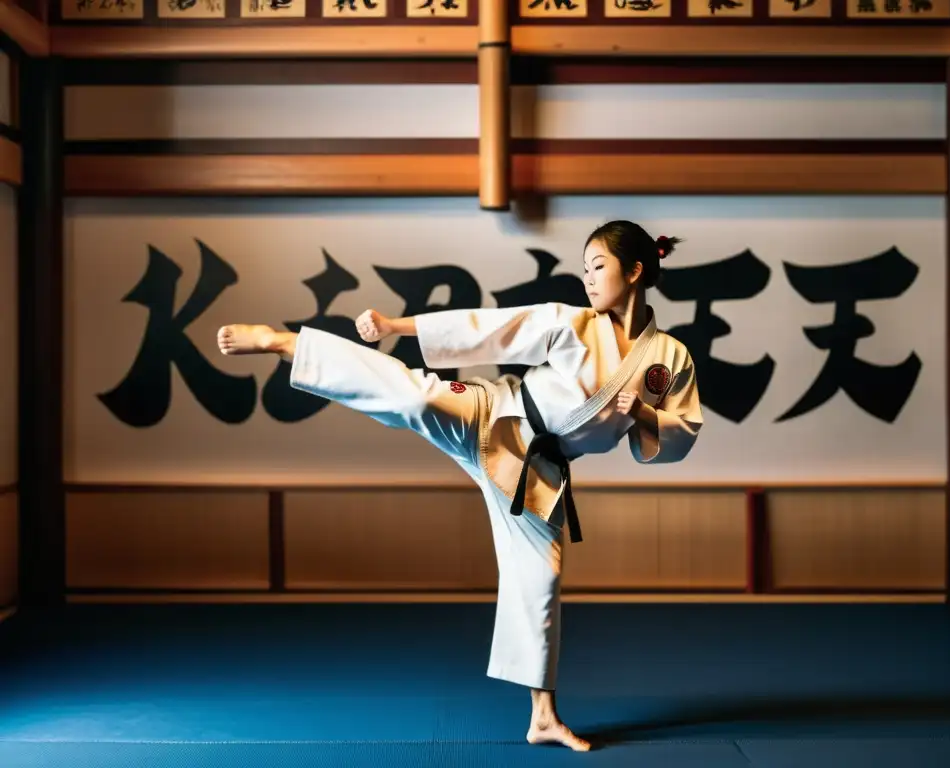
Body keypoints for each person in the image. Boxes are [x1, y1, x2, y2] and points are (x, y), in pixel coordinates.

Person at [216, 220, 703, 751]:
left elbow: (679, 433)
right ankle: (286, 343)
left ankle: (543, 715)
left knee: (541, 577)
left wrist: (646, 419)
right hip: (493, 411)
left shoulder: (671, 358)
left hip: (537, 470)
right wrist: (396, 327)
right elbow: (491, 328)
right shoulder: (572, 322)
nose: (587, 279)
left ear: (634, 271)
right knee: (415, 398)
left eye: (599, 267)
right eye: (582, 268)